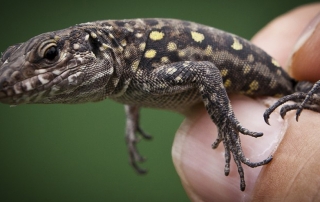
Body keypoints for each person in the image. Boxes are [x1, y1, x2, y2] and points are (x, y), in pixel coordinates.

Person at [172, 3, 320, 201]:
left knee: (308, 91)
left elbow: (206, 72)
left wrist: (227, 127)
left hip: (286, 85)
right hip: (281, 85)